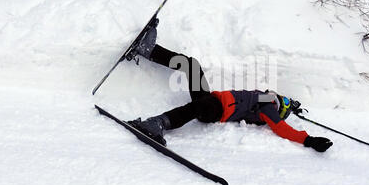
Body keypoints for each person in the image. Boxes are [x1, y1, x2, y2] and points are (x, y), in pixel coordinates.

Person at [126, 19, 333, 153]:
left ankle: (158, 124)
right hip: (212, 98)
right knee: (192, 66)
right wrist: (294, 104)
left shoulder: (267, 108)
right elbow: (284, 103)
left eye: (283, 100)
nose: (279, 96)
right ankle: (148, 49)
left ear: (279, 107)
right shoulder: (265, 97)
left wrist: (309, 140)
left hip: (216, 110)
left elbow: (282, 128)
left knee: (196, 108)